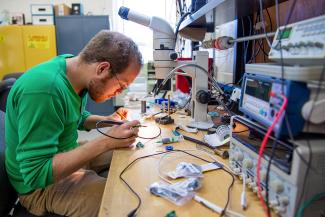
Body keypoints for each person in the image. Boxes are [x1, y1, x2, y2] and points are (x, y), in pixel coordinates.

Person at [5, 30, 143, 217]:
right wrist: (105, 142)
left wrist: (108, 122)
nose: (118, 92)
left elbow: (76, 118)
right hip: (40, 188)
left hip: (64, 153)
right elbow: (36, 174)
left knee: (133, 152)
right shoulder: (46, 89)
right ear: (102, 69)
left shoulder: (73, 70)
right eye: (121, 85)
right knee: (128, 201)